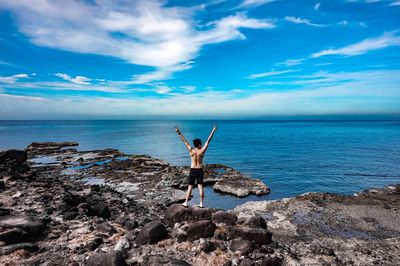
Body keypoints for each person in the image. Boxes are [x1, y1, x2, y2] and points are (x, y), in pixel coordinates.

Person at [175, 125, 217, 208]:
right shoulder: (202, 151)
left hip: (193, 170)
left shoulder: (191, 150)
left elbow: (184, 141)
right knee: (200, 187)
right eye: (201, 143)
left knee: (190, 187)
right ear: (199, 144)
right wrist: (213, 130)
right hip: (200, 170)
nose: (201, 144)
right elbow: (208, 140)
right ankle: (201, 203)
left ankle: (186, 202)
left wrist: (178, 132)